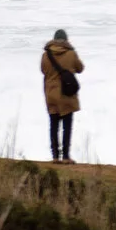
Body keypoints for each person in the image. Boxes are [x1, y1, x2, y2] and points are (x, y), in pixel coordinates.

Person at [40, 29, 84, 162]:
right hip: (66, 94)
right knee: (66, 126)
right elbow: (80, 68)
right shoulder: (71, 53)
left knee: (53, 125)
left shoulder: (46, 55)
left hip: (51, 94)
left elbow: (43, 70)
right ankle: (65, 156)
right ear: (66, 40)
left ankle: (55, 156)